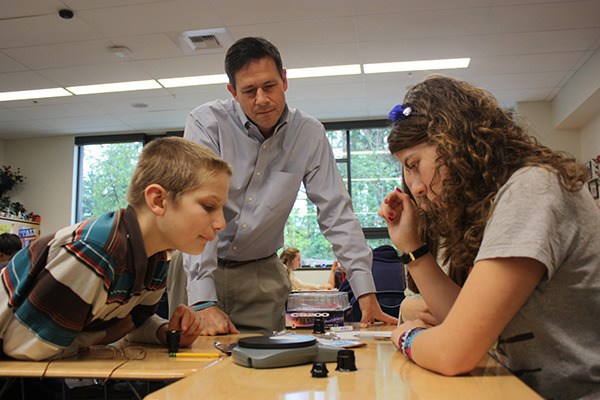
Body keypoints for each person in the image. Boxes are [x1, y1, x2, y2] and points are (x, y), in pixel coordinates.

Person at [378, 75, 600, 399]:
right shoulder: (511, 193)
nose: (416, 187)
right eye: (406, 171)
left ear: (454, 141)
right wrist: (411, 247)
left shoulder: (532, 189)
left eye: (415, 164)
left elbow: (454, 351)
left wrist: (405, 336)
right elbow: (463, 321)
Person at [180, 36, 395, 335]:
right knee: (194, 369)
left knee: (265, 369)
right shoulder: (206, 124)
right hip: (196, 264)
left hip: (260, 271)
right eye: (249, 91)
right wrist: (203, 300)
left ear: (284, 80)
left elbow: (336, 212)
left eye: (269, 86)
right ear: (232, 92)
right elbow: (198, 206)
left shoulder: (308, 134)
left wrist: (365, 293)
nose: (262, 99)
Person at [0, 137, 232, 361]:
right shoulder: (96, 251)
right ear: (158, 200)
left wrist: (165, 332)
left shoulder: (157, 255)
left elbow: (131, 322)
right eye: (209, 206)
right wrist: (100, 337)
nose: (221, 223)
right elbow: (24, 347)